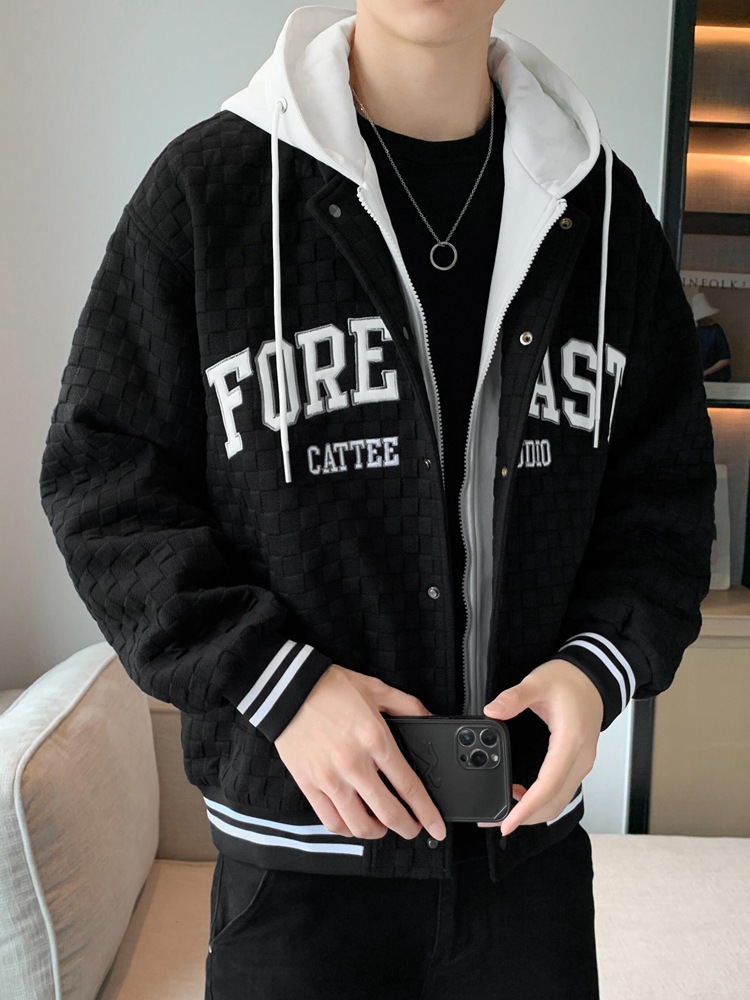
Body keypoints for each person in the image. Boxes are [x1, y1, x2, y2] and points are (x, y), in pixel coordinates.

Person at [39, 3, 717, 998]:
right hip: (297, 867)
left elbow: (665, 502)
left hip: (525, 859)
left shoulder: (605, 215)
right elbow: (102, 484)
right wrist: (280, 683)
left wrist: (595, 669)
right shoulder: (206, 193)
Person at [691, 291, 732, 381]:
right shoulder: (697, 331)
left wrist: (705, 372)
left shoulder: (716, 331)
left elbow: (725, 359)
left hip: (717, 378)